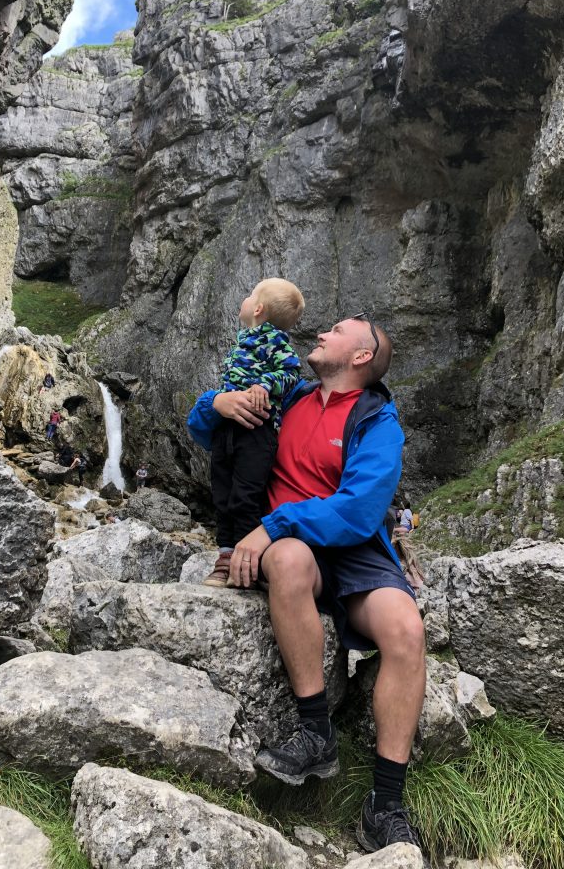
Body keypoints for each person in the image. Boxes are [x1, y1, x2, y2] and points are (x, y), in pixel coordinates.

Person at [187, 314, 426, 856]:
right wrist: (215, 404)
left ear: (361, 356)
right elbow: (208, 435)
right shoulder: (285, 396)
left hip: (354, 548)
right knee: (291, 561)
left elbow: (360, 511)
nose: (321, 334)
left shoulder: (378, 421)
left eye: (336, 331)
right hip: (299, 550)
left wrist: (270, 525)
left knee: (406, 630)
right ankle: (316, 733)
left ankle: (384, 804)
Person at [201, 278, 305, 588]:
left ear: (257, 308)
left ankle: (246, 564)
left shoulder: (275, 340)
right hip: (227, 430)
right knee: (222, 492)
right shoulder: (243, 339)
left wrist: (263, 385)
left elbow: (290, 371)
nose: (244, 299)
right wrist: (218, 402)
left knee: (245, 496)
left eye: (250, 295)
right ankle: (225, 556)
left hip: (256, 432)